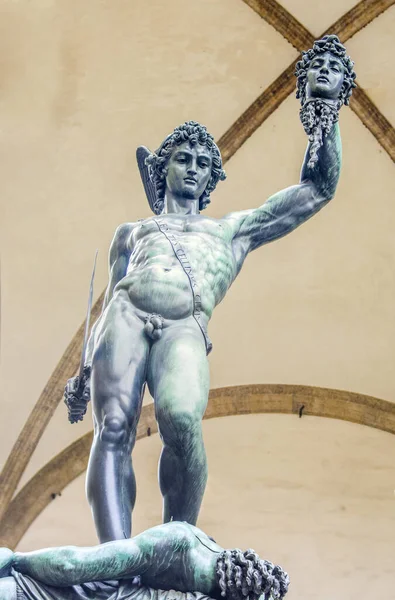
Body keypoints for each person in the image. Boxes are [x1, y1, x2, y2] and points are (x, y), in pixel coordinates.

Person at [65, 36, 356, 543]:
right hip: (126, 317)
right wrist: (83, 369)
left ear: (212, 177)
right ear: (164, 168)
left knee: (181, 417)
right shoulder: (133, 232)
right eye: (182, 157)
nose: (194, 166)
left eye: (203, 160)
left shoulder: (232, 231)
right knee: (112, 429)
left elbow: (317, 190)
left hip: (185, 325)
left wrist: (323, 110)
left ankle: (176, 541)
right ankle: (114, 557)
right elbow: (111, 295)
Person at [0, 521, 289, 600]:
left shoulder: (192, 549)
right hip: (27, 591)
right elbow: (71, 565)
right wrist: (16, 560)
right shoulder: (177, 546)